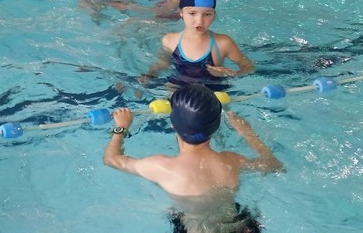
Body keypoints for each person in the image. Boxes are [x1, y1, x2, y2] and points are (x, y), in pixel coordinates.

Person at [103, 84, 283, 233]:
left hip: (195, 228)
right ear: (216, 126)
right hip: (239, 226)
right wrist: (249, 134)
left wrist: (121, 128)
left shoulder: (162, 167)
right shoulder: (231, 160)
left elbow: (111, 159)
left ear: (173, 125)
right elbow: (274, 166)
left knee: (174, 212)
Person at [140, 0, 255, 89]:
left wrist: (231, 74)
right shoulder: (170, 40)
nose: (199, 21)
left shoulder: (223, 43)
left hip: (214, 93)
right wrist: (149, 75)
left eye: (207, 14)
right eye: (192, 13)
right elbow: (163, 64)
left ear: (214, 15)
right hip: (178, 89)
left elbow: (249, 68)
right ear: (181, 13)